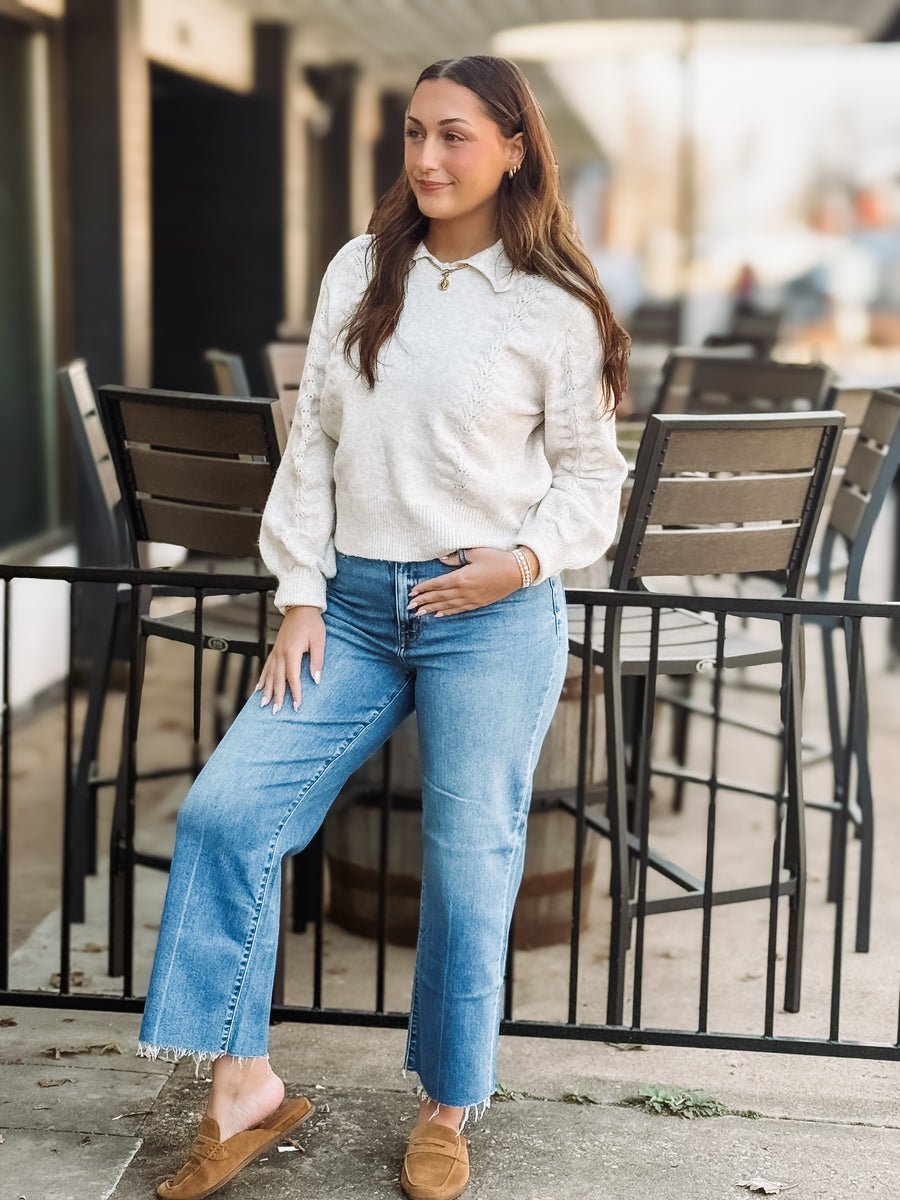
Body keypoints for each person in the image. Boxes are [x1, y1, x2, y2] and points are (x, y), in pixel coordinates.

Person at [138, 54, 629, 1200]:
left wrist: (518, 562)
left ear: (515, 147)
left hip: (491, 618)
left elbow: (590, 481)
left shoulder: (553, 307)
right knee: (225, 812)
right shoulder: (362, 269)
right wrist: (300, 594)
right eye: (413, 133)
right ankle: (245, 1084)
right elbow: (312, 439)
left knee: (469, 863)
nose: (426, 158)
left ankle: (449, 1105)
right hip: (352, 611)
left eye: (454, 136)